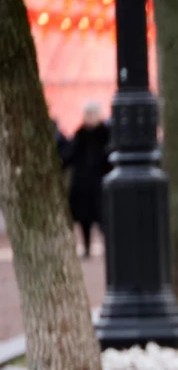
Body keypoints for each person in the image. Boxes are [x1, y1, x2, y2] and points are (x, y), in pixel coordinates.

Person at [64, 102, 112, 258]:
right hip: (82, 185)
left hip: (100, 183)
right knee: (84, 220)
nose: (89, 117)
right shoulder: (80, 134)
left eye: (92, 114)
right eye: (87, 114)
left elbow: (109, 158)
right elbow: (70, 155)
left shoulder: (105, 134)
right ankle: (86, 247)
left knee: (103, 218)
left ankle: (109, 248)